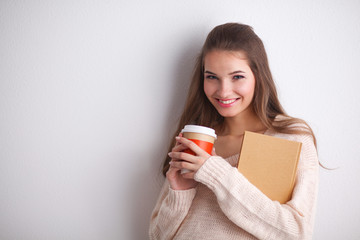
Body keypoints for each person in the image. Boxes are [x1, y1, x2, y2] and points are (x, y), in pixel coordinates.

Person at [149, 23, 319, 240]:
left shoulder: (289, 137)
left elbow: (295, 233)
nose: (223, 91)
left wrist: (215, 173)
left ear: (258, 75)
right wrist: (180, 193)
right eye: (212, 77)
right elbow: (156, 236)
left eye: (237, 77)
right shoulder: (197, 140)